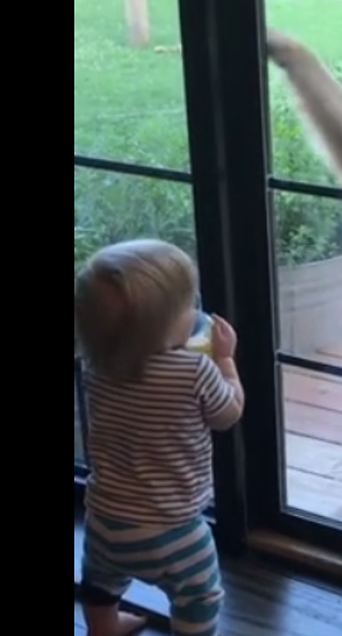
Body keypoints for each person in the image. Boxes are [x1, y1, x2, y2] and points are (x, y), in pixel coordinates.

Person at [74, 239, 245, 636]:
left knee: (99, 583)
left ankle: (104, 629)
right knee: (199, 595)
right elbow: (227, 415)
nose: (195, 312)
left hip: (104, 520)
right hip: (175, 531)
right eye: (188, 307)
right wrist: (225, 361)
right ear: (162, 328)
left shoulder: (95, 369)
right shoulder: (194, 372)